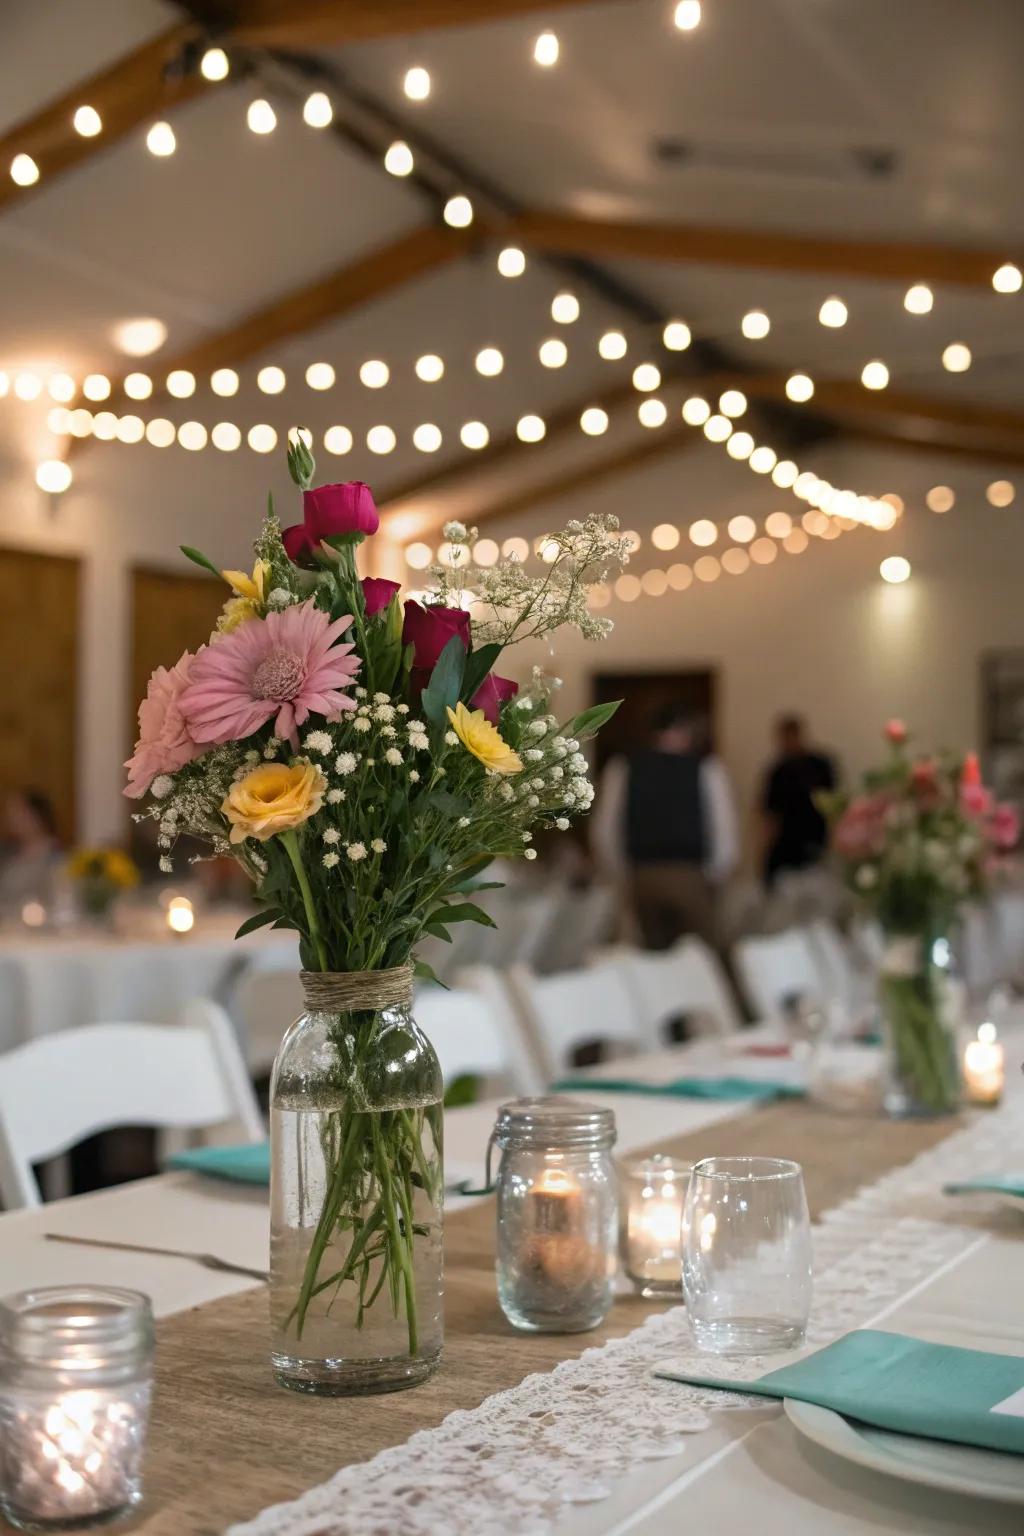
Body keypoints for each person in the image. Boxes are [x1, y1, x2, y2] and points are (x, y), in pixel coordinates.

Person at [591, 704, 738, 950]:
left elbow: (606, 830)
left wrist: (621, 872)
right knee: (704, 957)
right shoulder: (706, 768)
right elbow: (723, 829)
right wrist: (715, 874)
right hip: (689, 872)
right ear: (685, 730)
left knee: (654, 956)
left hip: (642, 875)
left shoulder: (623, 767)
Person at [759, 714, 837, 887]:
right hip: (786, 842)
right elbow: (769, 813)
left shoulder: (820, 765)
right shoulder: (778, 770)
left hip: (814, 837)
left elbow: (833, 803)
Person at [0, 789, 64, 911]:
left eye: (18, 812)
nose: (11, 818)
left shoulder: (56, 858)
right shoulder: (7, 852)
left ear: (36, 816)